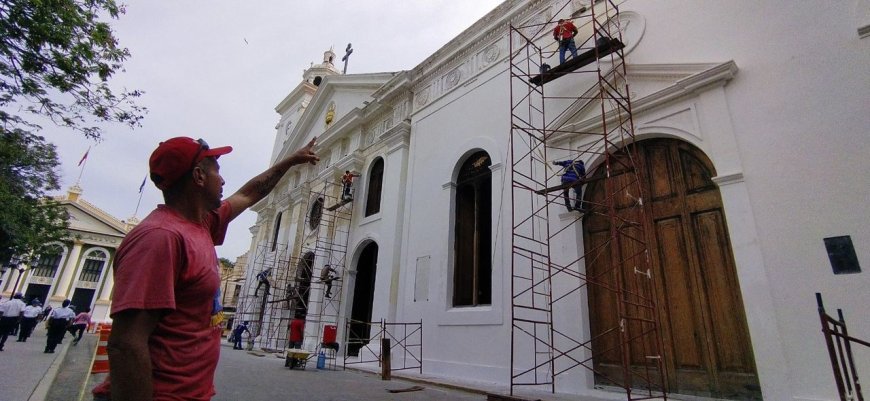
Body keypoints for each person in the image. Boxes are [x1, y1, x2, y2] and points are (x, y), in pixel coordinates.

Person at [91, 135, 318, 401]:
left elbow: (249, 193)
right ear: (199, 177)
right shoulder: (160, 237)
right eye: (217, 172)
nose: (222, 180)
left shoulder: (203, 224)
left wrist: (290, 161)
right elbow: (126, 343)